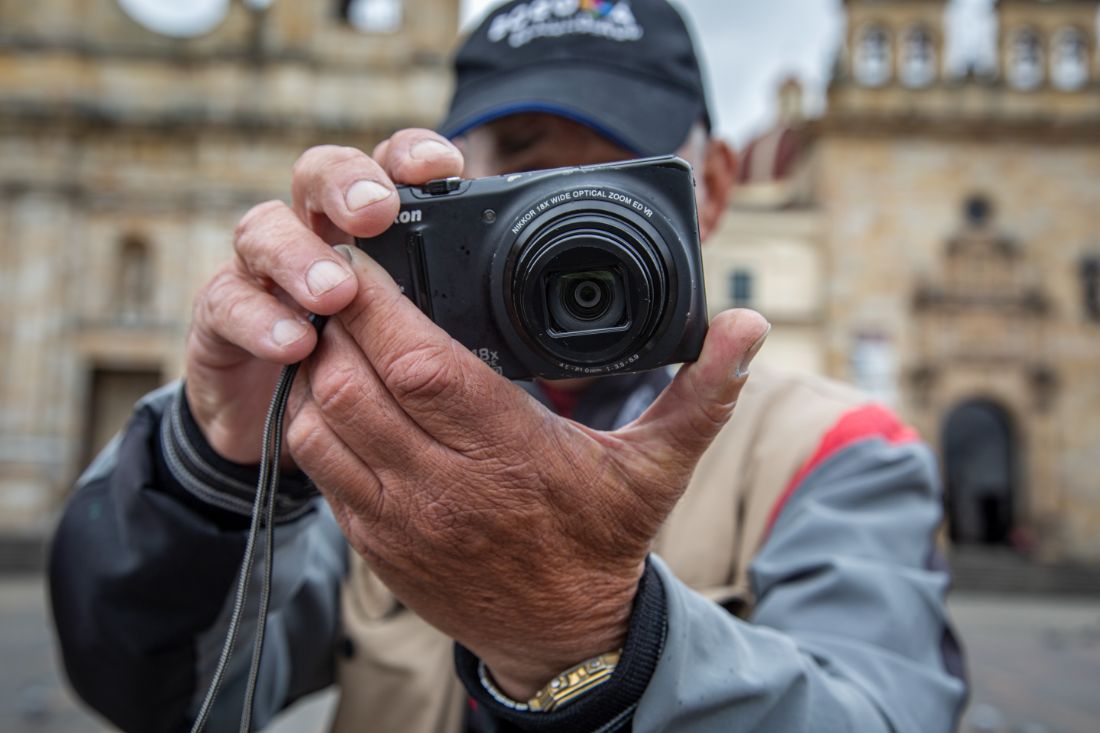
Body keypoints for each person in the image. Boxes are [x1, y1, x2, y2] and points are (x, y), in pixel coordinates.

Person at [49, 1, 967, 731]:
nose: (573, 236)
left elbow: (884, 709)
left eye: (615, 180)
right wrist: (218, 467)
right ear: (436, 196)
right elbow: (167, 698)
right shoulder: (364, 434)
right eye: (522, 176)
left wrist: (591, 633)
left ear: (712, 188)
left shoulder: (840, 449)